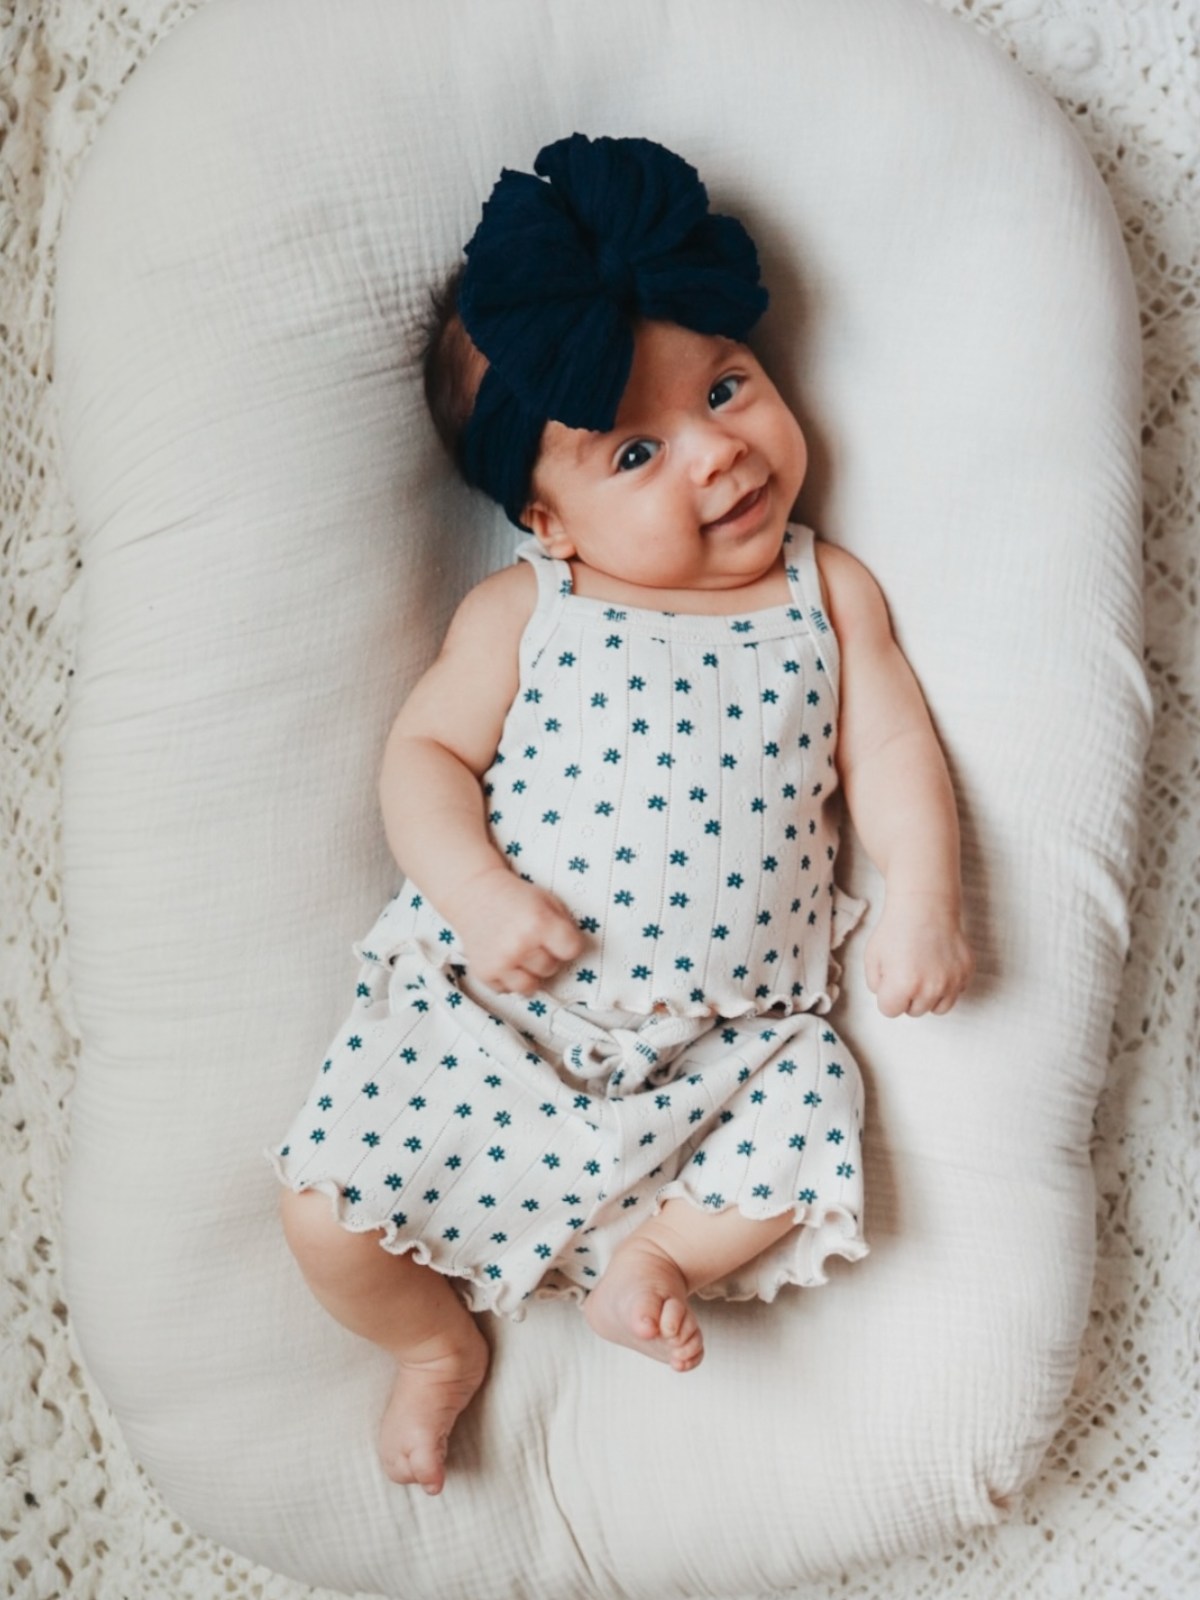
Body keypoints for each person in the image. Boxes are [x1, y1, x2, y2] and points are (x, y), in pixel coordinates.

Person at [270, 134, 974, 1497]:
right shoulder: (528, 611)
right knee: (323, 1221)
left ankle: (658, 1254)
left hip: (731, 1051)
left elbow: (892, 745)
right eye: (639, 449)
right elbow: (421, 758)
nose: (717, 453)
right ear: (551, 517)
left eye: (730, 387)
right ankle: (431, 1351)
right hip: (505, 1023)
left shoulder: (826, 595)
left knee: (816, 1119)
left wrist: (927, 901)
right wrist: (477, 895)